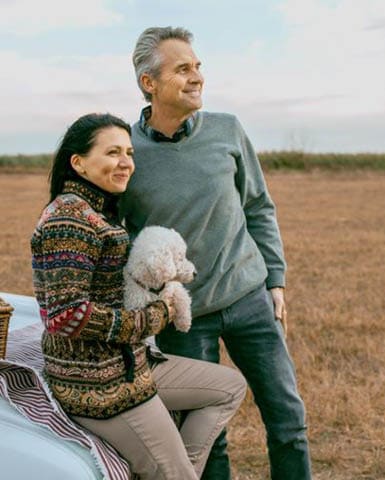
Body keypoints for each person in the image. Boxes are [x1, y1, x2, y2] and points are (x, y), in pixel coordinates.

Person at [119, 27, 312, 479]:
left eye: (198, 66)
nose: (197, 77)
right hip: (184, 318)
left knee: (288, 420)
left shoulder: (228, 130)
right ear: (150, 83)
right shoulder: (128, 151)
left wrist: (276, 281)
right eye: (183, 69)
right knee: (206, 437)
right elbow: (121, 235)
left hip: (250, 301)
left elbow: (259, 206)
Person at [31, 113, 247, 480]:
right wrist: (155, 316)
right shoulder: (68, 219)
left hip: (129, 367)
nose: (126, 162)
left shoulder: (95, 210)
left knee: (228, 387)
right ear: (78, 162)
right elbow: (66, 315)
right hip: (99, 386)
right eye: (112, 152)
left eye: (129, 152)